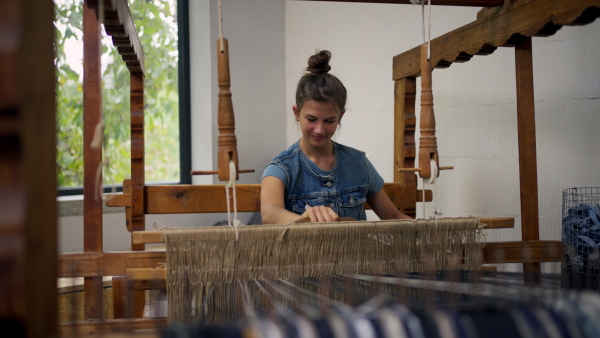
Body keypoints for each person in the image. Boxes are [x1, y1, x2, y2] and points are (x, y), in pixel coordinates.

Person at [260, 50, 411, 224]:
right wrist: (304, 219)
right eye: (311, 119)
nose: (319, 129)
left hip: (356, 251)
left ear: (340, 116)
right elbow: (270, 214)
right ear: (296, 113)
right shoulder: (281, 168)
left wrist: (426, 232)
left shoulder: (358, 163)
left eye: (329, 121)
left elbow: (393, 216)